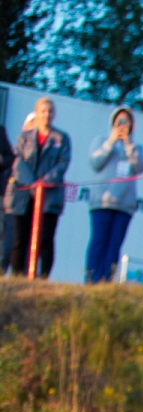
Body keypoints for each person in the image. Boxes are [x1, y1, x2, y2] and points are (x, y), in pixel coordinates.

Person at [84, 107, 143, 284]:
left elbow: (140, 166)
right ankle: (91, 279)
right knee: (98, 241)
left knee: (114, 245)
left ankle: (106, 280)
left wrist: (127, 144)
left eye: (126, 122)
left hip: (124, 205)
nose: (122, 125)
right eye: (119, 122)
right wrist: (111, 141)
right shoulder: (101, 141)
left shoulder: (136, 147)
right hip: (102, 202)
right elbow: (95, 162)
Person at [8, 97, 70, 278]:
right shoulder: (25, 137)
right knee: (20, 239)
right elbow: (17, 161)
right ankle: (17, 278)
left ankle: (43, 278)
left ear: (54, 114)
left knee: (45, 239)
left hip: (49, 197)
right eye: (43, 111)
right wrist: (32, 183)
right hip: (24, 196)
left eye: (50, 111)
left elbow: (62, 163)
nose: (46, 115)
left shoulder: (62, 138)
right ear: (37, 113)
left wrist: (44, 183)